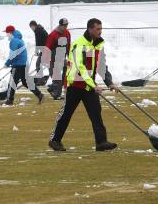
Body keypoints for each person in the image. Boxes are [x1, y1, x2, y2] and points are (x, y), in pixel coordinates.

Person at [49, 18, 118, 152]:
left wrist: (109, 83)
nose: (100, 32)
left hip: (89, 86)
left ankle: (101, 142)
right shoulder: (79, 45)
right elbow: (80, 68)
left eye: (101, 29)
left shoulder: (97, 44)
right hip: (75, 85)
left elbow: (101, 65)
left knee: (96, 114)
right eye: (97, 29)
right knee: (66, 115)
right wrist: (94, 85)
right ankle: (55, 140)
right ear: (90, 29)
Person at [3, 25, 44, 106]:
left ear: (10, 32)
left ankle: (9, 100)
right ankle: (39, 94)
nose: (6, 35)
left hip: (18, 65)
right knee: (25, 82)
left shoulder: (14, 41)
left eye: (7, 33)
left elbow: (13, 54)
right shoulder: (19, 39)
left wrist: (7, 63)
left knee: (12, 82)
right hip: (23, 64)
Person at [43, 18, 71, 100]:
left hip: (62, 57)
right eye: (64, 26)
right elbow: (47, 47)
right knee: (56, 77)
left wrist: (69, 56)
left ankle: (52, 87)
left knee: (66, 72)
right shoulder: (53, 35)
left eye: (67, 25)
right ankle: (56, 94)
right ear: (60, 25)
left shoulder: (67, 33)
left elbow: (68, 44)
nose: (66, 27)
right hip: (53, 58)